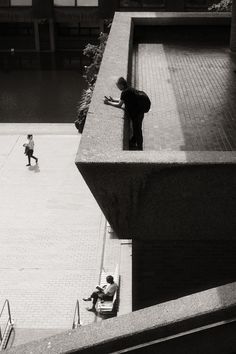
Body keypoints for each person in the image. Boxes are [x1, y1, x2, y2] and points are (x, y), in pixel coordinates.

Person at [104, 77, 145, 151]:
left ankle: (140, 148)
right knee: (137, 128)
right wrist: (113, 99)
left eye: (118, 85)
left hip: (136, 114)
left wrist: (108, 103)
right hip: (140, 112)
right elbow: (122, 99)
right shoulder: (129, 88)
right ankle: (133, 142)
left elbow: (119, 105)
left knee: (137, 130)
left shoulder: (124, 92)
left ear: (122, 85)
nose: (117, 87)